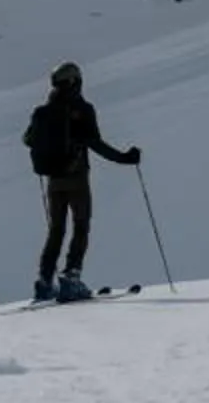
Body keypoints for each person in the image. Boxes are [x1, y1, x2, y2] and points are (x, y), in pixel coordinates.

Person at [21, 61, 140, 302]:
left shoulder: (42, 111)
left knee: (56, 230)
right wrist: (126, 159)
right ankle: (71, 278)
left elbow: (27, 139)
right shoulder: (83, 109)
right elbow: (96, 144)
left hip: (53, 180)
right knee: (81, 225)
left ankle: (44, 282)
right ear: (76, 81)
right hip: (76, 177)